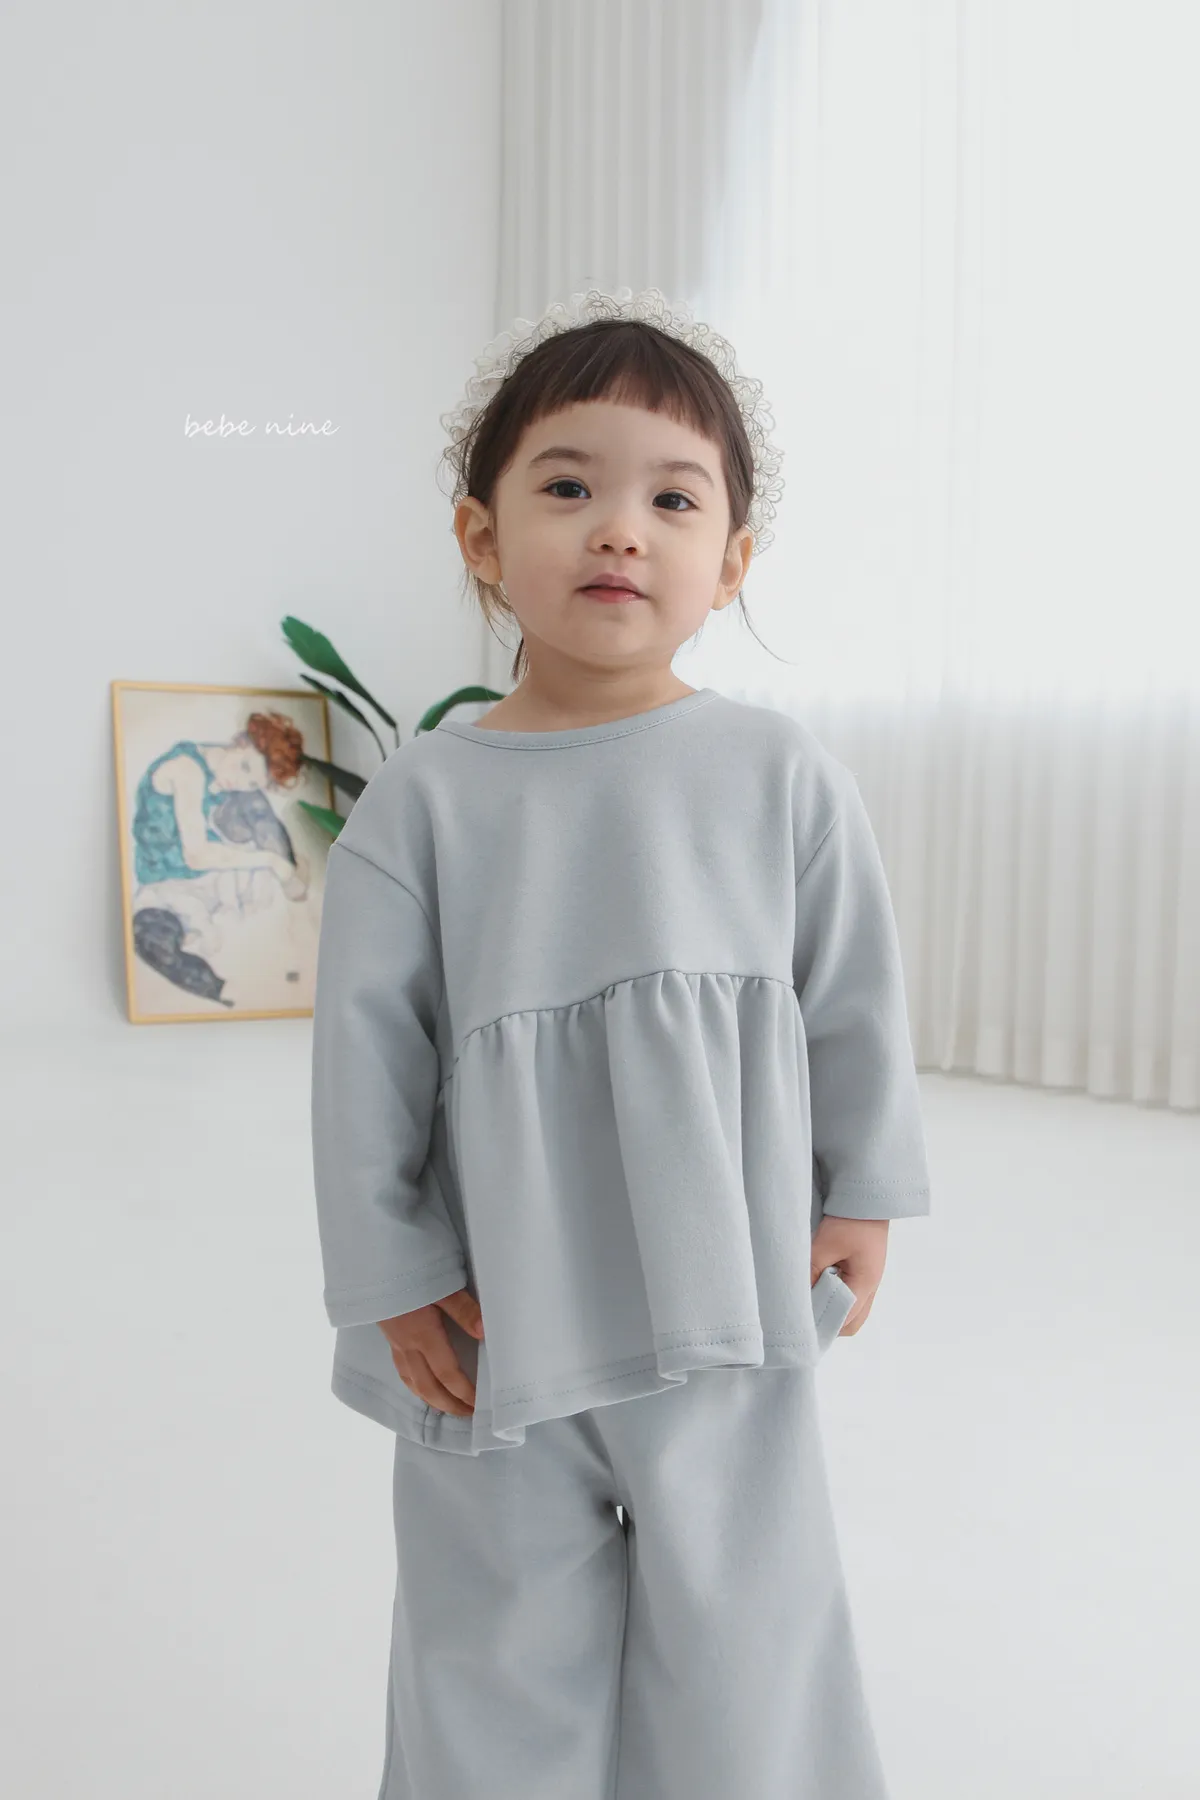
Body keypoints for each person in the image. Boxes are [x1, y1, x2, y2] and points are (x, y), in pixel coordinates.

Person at [310, 286, 932, 1800]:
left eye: (672, 499)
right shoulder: (427, 799)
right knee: (488, 1642)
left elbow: (851, 996)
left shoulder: (777, 773)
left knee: (747, 1626)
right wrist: (390, 1273)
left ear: (732, 560)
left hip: (724, 1285)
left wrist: (861, 1190)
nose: (619, 531)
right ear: (482, 538)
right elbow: (366, 1057)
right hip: (495, 1313)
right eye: (568, 487)